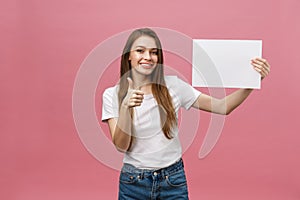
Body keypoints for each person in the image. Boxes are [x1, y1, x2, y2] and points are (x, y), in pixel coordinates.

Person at [102, 28, 270, 200]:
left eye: (154, 52)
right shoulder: (112, 95)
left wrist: (252, 81)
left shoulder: (174, 86)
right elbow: (121, 146)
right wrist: (125, 108)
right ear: (128, 56)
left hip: (172, 180)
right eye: (140, 51)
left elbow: (222, 106)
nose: (148, 57)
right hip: (133, 184)